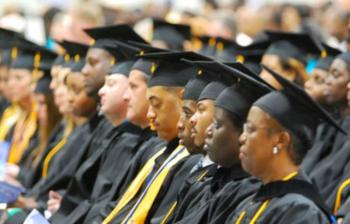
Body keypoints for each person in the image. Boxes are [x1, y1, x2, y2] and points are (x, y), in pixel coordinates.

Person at [224, 65, 342, 224]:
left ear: (281, 141)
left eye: (251, 129)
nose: (242, 138)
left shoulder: (302, 213)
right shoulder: (257, 198)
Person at [99, 51, 207, 224]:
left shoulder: (190, 164)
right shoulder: (156, 151)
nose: (150, 114)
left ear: (183, 99)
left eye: (156, 105)